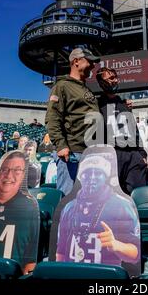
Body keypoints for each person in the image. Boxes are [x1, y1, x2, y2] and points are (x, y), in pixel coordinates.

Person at [56, 154, 140, 266]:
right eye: (87, 173)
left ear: (106, 177)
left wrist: (116, 245)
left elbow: (136, 254)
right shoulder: (69, 207)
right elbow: (61, 252)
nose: (92, 177)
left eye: (98, 173)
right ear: (81, 177)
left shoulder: (121, 206)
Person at [45, 48, 100, 195]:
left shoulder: (86, 89)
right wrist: (61, 145)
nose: (93, 66)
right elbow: (52, 117)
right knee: (68, 199)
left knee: (87, 199)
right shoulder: (62, 86)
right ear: (76, 61)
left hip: (89, 152)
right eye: (90, 61)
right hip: (72, 153)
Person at [96, 67, 147, 195]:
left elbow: (133, 129)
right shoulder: (97, 105)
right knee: (113, 197)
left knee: (137, 195)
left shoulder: (123, 103)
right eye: (111, 78)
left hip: (133, 155)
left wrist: (142, 154)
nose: (115, 80)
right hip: (112, 155)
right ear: (101, 83)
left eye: (115, 77)